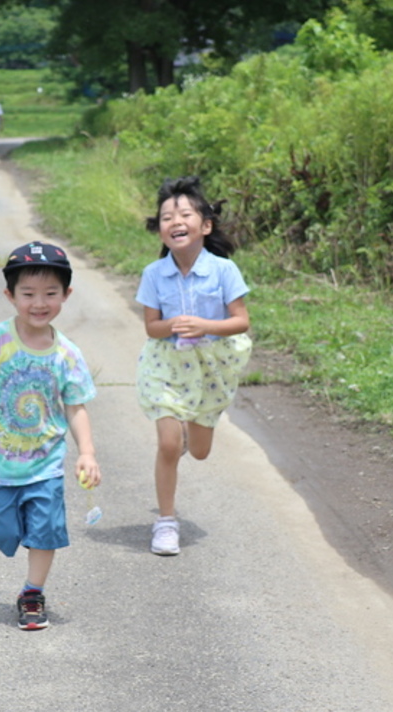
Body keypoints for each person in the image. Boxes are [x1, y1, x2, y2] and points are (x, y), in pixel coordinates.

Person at [0, 241, 101, 630]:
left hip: (44, 465)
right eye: (28, 294)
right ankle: (17, 543)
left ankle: (33, 592)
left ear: (67, 295)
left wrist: (87, 453)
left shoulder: (67, 354)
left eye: (50, 293)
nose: (39, 303)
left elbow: (76, 405)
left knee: (43, 532)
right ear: (10, 296)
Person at [134, 176, 252, 556]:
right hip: (166, 364)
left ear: (206, 226)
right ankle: (166, 523)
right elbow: (152, 328)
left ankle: (185, 438)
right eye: (167, 216)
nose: (175, 220)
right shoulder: (154, 274)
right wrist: (172, 326)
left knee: (199, 451)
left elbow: (241, 321)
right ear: (161, 229)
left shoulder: (223, 271)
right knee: (168, 444)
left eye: (184, 214)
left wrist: (205, 326)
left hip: (211, 367)